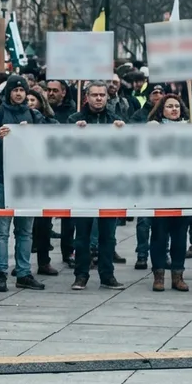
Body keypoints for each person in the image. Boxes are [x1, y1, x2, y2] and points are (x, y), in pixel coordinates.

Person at [0, 74, 50, 292]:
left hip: (27, 181)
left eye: (22, 90)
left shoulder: (34, 114)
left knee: (25, 230)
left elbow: (47, 143)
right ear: (9, 92)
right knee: (2, 229)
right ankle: (0, 273)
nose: (19, 93)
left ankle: (23, 273)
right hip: (3, 179)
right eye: (15, 90)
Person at [68, 81, 127, 290]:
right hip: (84, 185)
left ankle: (107, 275)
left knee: (108, 235)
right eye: (94, 95)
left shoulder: (116, 120)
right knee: (82, 234)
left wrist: (123, 131)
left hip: (109, 185)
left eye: (102, 95)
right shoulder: (74, 120)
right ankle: (81, 275)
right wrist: (74, 133)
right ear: (87, 97)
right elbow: (65, 150)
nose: (99, 98)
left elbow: (127, 150)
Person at [147, 94, 192, 292]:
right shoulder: (153, 128)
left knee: (180, 236)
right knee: (158, 234)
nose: (174, 109)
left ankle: (178, 275)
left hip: (182, 191)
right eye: (169, 106)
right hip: (159, 191)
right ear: (161, 110)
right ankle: (158, 275)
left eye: (177, 106)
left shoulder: (189, 129)